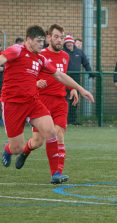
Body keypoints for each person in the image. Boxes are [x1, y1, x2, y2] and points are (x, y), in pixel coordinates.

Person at [0, 25, 94, 184]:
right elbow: (2, 58)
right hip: (13, 104)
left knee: (52, 132)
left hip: (33, 102)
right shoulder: (17, 50)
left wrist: (80, 89)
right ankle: (8, 149)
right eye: (38, 41)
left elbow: (59, 75)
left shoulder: (41, 58)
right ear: (29, 40)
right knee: (18, 148)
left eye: (43, 41)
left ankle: (55, 174)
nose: (41, 45)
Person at [13, 24, 79, 184]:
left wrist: (73, 88)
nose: (59, 40)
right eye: (56, 36)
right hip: (41, 101)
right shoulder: (40, 54)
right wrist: (36, 83)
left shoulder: (65, 56)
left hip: (60, 102)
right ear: (49, 37)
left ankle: (57, 173)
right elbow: (27, 75)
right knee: (37, 141)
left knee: (59, 135)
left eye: (62, 37)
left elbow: (62, 76)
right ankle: (25, 152)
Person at [64, 34, 93, 125]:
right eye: (67, 42)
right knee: (64, 100)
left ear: (73, 43)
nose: (69, 44)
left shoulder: (79, 52)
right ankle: (64, 120)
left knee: (74, 100)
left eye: (70, 42)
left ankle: (72, 120)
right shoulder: (62, 52)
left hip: (76, 80)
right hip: (64, 79)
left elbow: (86, 63)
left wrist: (90, 73)